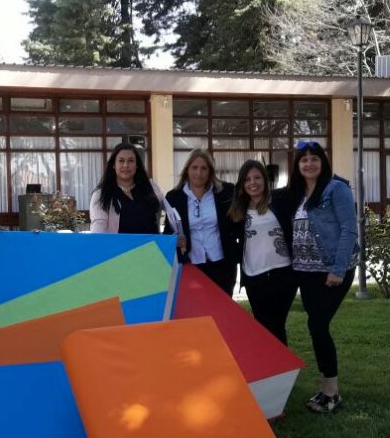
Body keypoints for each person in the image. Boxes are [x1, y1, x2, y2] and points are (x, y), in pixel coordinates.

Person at [287, 141, 359, 414]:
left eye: (314, 158)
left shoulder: (335, 188)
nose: (309, 164)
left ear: (323, 162)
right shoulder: (297, 194)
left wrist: (338, 269)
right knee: (316, 326)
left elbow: (349, 230)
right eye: (303, 160)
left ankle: (331, 393)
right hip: (305, 273)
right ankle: (326, 389)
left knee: (318, 326)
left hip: (331, 271)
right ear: (297, 165)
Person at [228, 159, 294, 343]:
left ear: (265, 180)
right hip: (254, 276)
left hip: (282, 273)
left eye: (257, 178)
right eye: (247, 179)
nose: (253, 183)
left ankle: (282, 367)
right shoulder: (238, 211)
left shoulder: (280, 202)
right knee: (263, 326)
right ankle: (275, 367)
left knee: (277, 324)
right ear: (242, 184)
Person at [164, 149, 239, 295]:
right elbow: (169, 230)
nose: (199, 173)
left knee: (222, 311)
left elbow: (237, 223)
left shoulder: (226, 192)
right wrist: (176, 239)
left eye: (204, 168)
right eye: (194, 167)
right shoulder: (174, 197)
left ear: (210, 171)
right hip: (191, 264)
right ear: (187, 170)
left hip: (222, 265)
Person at [89, 142, 163, 234]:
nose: (126, 165)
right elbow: (98, 226)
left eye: (131, 161)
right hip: (121, 248)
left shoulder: (151, 187)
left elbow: (169, 211)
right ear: (113, 165)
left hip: (152, 247)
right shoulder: (101, 195)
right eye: (121, 161)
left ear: (137, 165)